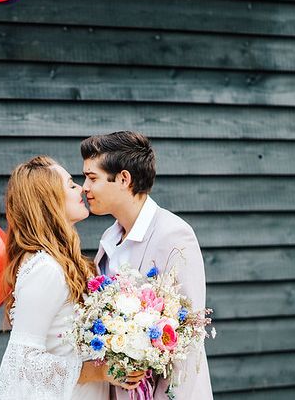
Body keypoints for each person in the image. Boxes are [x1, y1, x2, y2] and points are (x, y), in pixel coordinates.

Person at [0, 156, 144, 400]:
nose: (82, 188)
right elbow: (23, 361)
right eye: (71, 184)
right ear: (49, 200)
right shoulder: (46, 269)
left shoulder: (66, 263)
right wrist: (99, 371)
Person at [81, 132, 213, 400]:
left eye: (92, 178)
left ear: (123, 179)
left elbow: (187, 342)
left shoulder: (174, 235)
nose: (84, 187)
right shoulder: (109, 240)